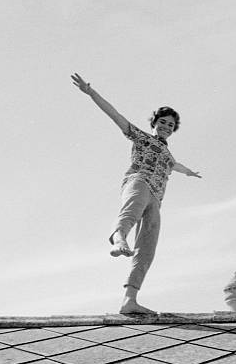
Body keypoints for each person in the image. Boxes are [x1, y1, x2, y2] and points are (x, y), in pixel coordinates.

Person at [71, 73, 202, 314]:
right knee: (130, 212)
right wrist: (91, 93)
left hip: (157, 199)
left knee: (148, 248)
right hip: (139, 182)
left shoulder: (169, 156)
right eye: (162, 122)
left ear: (174, 130)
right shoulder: (141, 138)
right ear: (155, 123)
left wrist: (189, 172)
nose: (166, 127)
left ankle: (129, 299)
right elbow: (116, 116)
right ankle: (119, 237)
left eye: (170, 125)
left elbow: (176, 165)